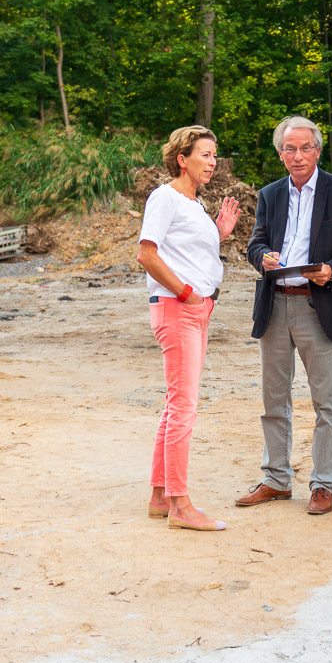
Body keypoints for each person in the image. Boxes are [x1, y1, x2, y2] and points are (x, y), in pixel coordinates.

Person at [236, 116, 332, 515]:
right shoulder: (269, 194)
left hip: (319, 305)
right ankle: (276, 479)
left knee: (326, 403)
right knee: (273, 400)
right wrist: (262, 257)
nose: (297, 155)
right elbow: (255, 241)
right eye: (289, 149)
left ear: (318, 150)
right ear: (280, 154)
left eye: (304, 147)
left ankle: (323, 483)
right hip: (275, 305)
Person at [137, 125, 241, 532]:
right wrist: (186, 293)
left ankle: (160, 496)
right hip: (179, 309)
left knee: (175, 404)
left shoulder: (193, 204)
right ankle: (181, 506)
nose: (212, 162)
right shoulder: (165, 197)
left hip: (196, 310)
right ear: (182, 159)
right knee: (184, 408)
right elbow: (147, 254)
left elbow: (190, 252)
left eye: (215, 155)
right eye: (205, 154)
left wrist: (218, 232)